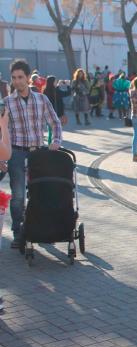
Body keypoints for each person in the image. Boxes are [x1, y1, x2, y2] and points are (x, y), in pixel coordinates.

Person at [5, 59, 62, 248]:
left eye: (21, 77)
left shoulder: (41, 99)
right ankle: (18, 232)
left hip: (38, 154)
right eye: (14, 78)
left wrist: (55, 142)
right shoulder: (7, 103)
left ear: (28, 78)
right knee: (19, 195)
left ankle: (41, 228)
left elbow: (55, 122)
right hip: (16, 153)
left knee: (40, 191)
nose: (17, 81)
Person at [43, 76, 70, 144]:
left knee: (50, 132)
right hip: (57, 114)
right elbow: (67, 93)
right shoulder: (56, 91)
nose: (57, 82)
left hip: (48, 114)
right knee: (57, 132)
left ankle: (49, 146)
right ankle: (55, 145)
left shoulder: (45, 91)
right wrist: (68, 85)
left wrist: (58, 86)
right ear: (52, 82)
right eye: (55, 81)